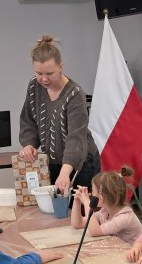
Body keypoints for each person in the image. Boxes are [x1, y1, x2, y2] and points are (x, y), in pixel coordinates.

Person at [19, 35, 100, 194]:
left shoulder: (75, 94)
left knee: (80, 215)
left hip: (81, 163)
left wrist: (65, 172)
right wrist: (29, 144)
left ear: (61, 67)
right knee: (57, 215)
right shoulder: (34, 86)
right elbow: (28, 121)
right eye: (38, 73)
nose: (44, 79)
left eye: (50, 73)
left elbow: (75, 137)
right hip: (53, 162)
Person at [70, 168, 142, 245]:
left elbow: (95, 231)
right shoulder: (104, 212)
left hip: (134, 254)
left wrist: (87, 203)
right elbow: (78, 224)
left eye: (93, 192)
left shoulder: (124, 217)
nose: (91, 195)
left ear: (100, 199)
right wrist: (77, 201)